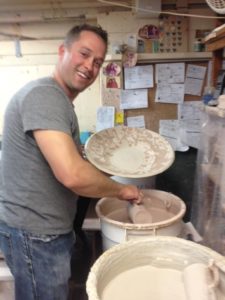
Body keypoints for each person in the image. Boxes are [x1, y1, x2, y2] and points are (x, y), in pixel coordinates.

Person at [0, 24, 142, 300]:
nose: (89, 66)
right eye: (84, 54)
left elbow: (72, 163)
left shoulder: (59, 102)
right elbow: (73, 175)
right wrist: (123, 190)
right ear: (62, 51)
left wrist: (109, 165)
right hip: (35, 235)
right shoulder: (45, 96)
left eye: (97, 62)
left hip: (42, 231)